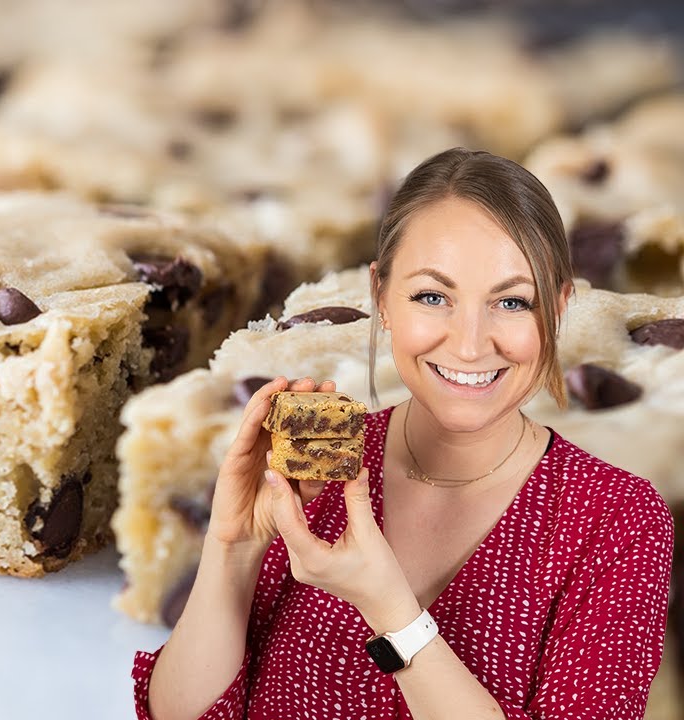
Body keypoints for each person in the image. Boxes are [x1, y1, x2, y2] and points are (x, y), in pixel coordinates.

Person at [131, 147, 674, 719]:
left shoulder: (618, 519)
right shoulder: (318, 469)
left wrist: (393, 613)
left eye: (512, 301)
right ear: (382, 298)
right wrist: (233, 548)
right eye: (432, 297)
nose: (469, 344)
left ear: (558, 309)